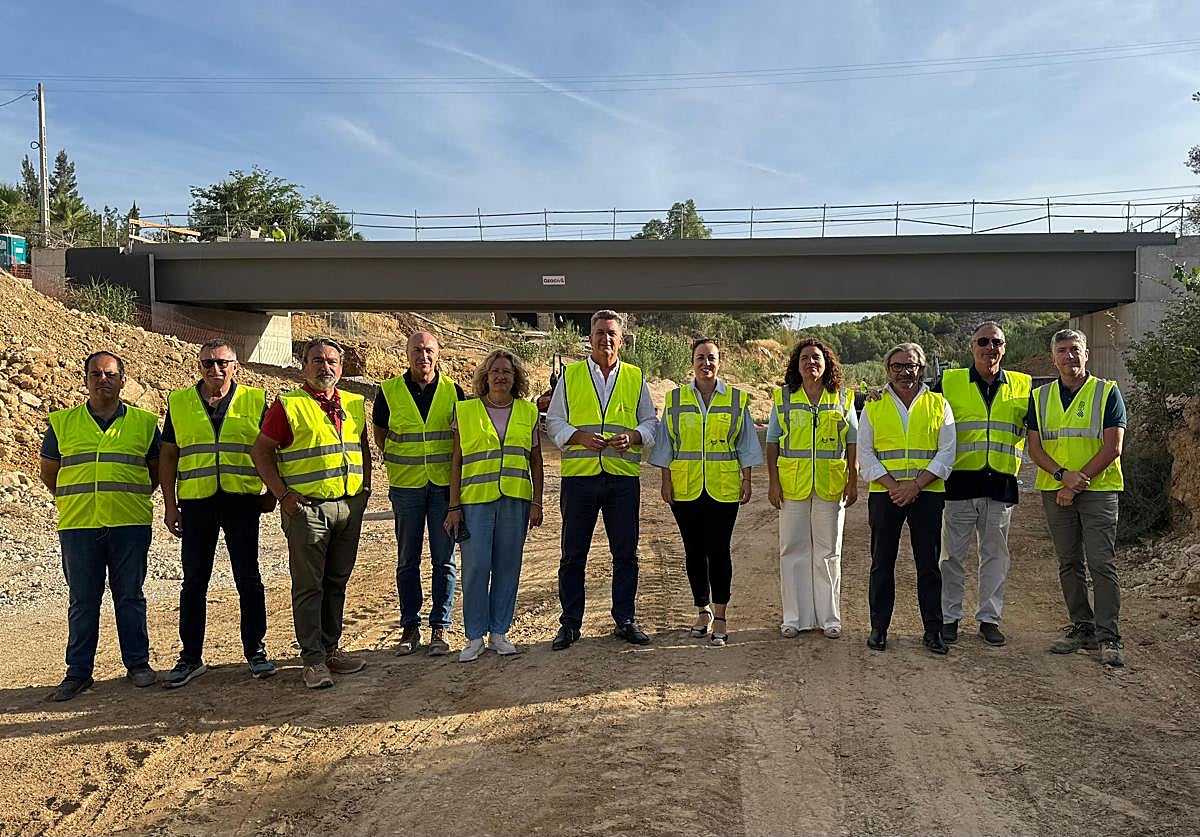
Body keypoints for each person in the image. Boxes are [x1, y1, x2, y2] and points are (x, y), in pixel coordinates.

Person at [39, 351, 161, 701]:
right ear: (86, 379)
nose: (102, 379)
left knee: (130, 597)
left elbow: (155, 470)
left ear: (123, 379)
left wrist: (128, 494)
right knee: (82, 600)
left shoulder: (143, 423)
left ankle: (138, 665)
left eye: (110, 374)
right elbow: (50, 473)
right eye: (95, 374)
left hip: (129, 523)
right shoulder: (62, 423)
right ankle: (78, 673)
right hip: (79, 524)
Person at [251, 338, 371, 689]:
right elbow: (261, 452)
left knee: (337, 581)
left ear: (342, 366)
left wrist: (364, 490)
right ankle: (313, 659)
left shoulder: (353, 403)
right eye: (317, 360)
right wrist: (283, 495)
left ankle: (331, 649)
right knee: (309, 585)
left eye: (332, 361)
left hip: (348, 507)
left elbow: (361, 446)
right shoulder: (288, 405)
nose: (325, 367)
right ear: (304, 366)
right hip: (307, 510)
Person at [159, 339, 274, 688]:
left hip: (242, 501)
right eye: (208, 363)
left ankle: (255, 651)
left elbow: (273, 449)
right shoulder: (179, 403)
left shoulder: (256, 400)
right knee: (194, 582)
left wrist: (273, 490)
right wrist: (169, 504)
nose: (216, 369)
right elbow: (168, 456)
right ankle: (190, 657)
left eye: (223, 363)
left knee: (248, 579)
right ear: (199, 366)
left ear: (235, 366)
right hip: (196, 503)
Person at [546, 309, 658, 650]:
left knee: (626, 553)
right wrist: (577, 437)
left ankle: (624, 619)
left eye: (612, 333)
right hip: (580, 479)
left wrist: (635, 437)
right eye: (599, 333)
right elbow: (553, 422)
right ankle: (570, 624)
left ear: (621, 341)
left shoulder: (636, 377)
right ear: (590, 338)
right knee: (572, 554)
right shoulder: (571, 375)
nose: (605, 339)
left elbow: (651, 421)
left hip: (621, 480)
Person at [1025, 328, 1126, 667]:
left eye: (1075, 350)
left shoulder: (1106, 393)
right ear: (1053, 358)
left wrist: (1074, 483)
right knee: (1069, 563)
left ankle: (1108, 635)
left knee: (1101, 563)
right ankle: (1082, 628)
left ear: (1086, 355)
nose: (1069, 356)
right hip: (1056, 489)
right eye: (1063, 351)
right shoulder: (1039, 398)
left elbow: (1113, 447)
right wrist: (1060, 477)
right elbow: (1034, 447)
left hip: (1098, 491)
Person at [652, 338, 762, 647]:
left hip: (723, 487)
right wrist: (666, 480)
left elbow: (746, 444)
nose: (706, 363)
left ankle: (721, 616)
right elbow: (665, 445)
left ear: (719, 362)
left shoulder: (737, 400)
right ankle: (702, 611)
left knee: (719, 550)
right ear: (693, 362)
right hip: (685, 488)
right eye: (700, 357)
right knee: (693, 551)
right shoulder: (675, 399)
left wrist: (747, 479)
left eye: (711, 358)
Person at [933, 322, 1032, 648]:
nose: (990, 347)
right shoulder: (949, 382)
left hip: (1000, 487)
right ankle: (949, 618)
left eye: (997, 342)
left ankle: (989, 619)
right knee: (951, 558)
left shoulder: (1022, 385)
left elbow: (1040, 428)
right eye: (983, 341)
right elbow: (915, 403)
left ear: (1004, 348)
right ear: (972, 346)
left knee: (995, 558)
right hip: (959, 485)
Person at [443, 350, 544, 661]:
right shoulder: (466, 410)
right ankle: (474, 636)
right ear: (485, 377)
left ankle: (499, 632)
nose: (501, 376)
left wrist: (537, 501)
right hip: (475, 503)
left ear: (516, 380)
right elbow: (457, 461)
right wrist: (453, 506)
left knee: (508, 567)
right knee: (475, 569)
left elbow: (536, 461)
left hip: (515, 500)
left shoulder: (528, 412)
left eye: (507, 372)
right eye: (495, 371)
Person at [372, 331, 466, 657]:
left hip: (443, 487)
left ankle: (440, 627)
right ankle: (410, 627)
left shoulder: (455, 391)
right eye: (416, 350)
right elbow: (380, 434)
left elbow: (461, 440)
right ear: (406, 354)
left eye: (428, 351)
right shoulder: (388, 391)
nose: (422, 357)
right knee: (407, 560)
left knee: (445, 561)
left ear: (438, 355)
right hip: (406, 487)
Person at [858, 342, 956, 655]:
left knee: (928, 565)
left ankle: (933, 631)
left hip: (926, 494)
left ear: (921, 369)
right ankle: (879, 628)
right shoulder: (873, 405)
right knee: (882, 563)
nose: (904, 372)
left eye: (911, 365)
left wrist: (914, 485)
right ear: (888, 369)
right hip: (885, 495)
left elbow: (946, 452)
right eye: (897, 366)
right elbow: (865, 453)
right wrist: (895, 486)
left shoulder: (939, 404)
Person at [766, 337, 857, 640]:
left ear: (827, 363)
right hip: (793, 485)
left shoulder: (842, 399)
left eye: (816, 358)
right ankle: (794, 618)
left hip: (830, 485)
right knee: (793, 550)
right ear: (797, 364)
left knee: (828, 553)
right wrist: (773, 482)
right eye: (805, 358)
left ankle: (829, 618)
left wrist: (853, 479)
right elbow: (772, 442)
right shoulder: (784, 399)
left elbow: (852, 441)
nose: (811, 363)